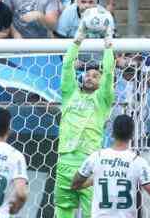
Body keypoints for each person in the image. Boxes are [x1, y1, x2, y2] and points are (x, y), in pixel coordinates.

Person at [55, 24, 115, 218]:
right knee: (63, 211)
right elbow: (67, 66)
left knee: (92, 214)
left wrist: (108, 45)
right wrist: (77, 40)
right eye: (88, 74)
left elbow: (109, 74)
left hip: (89, 162)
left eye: (95, 76)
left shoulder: (102, 100)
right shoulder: (70, 94)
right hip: (64, 160)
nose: (90, 77)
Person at [71, 114, 150, 218]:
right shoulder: (138, 162)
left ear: (112, 133)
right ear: (132, 135)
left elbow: (75, 184)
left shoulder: (96, 156)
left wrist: (94, 180)